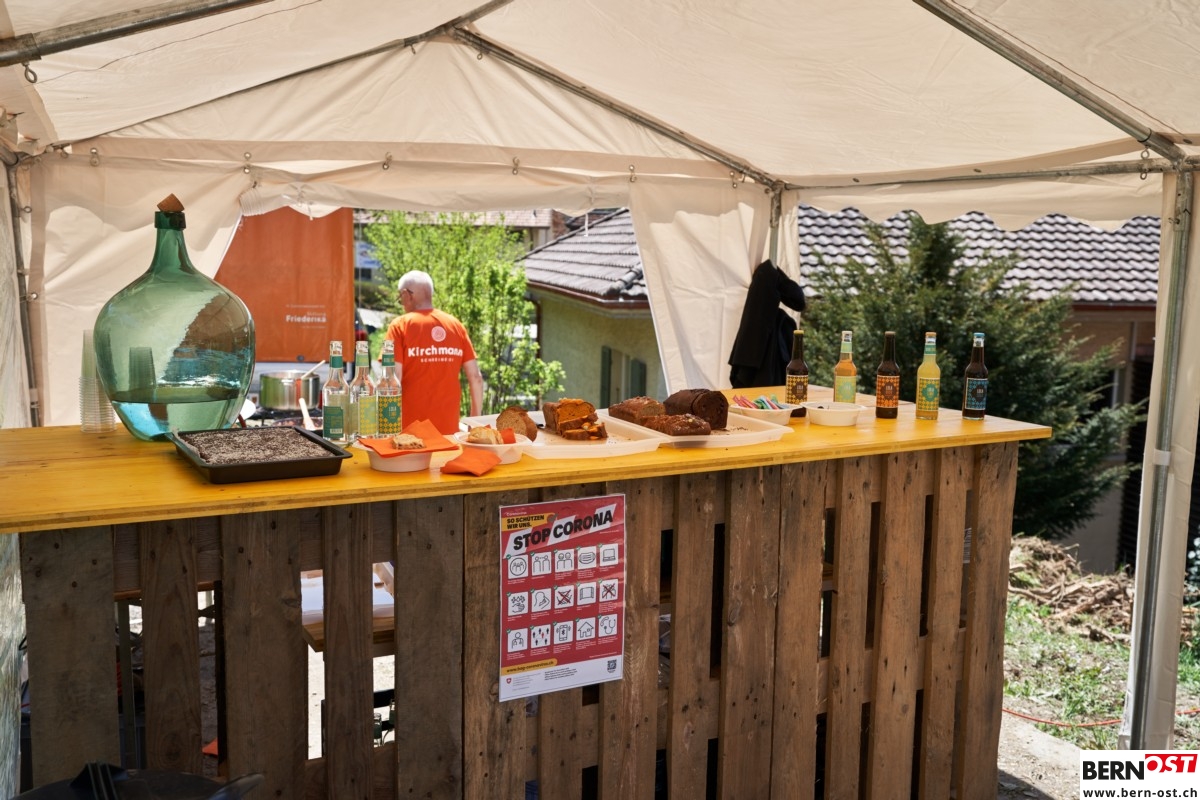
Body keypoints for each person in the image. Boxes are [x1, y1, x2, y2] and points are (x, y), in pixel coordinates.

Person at [384, 270, 484, 434]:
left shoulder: (399, 326)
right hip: (448, 434)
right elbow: (476, 378)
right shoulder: (455, 326)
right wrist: (475, 422)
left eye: (400, 298)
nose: (401, 303)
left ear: (407, 295)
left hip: (410, 434)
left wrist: (387, 426)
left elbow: (393, 379)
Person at [727, 259, 808, 388]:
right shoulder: (780, 323)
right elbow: (799, 302)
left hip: (756, 366)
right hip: (762, 370)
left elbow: (799, 302)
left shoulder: (777, 323)